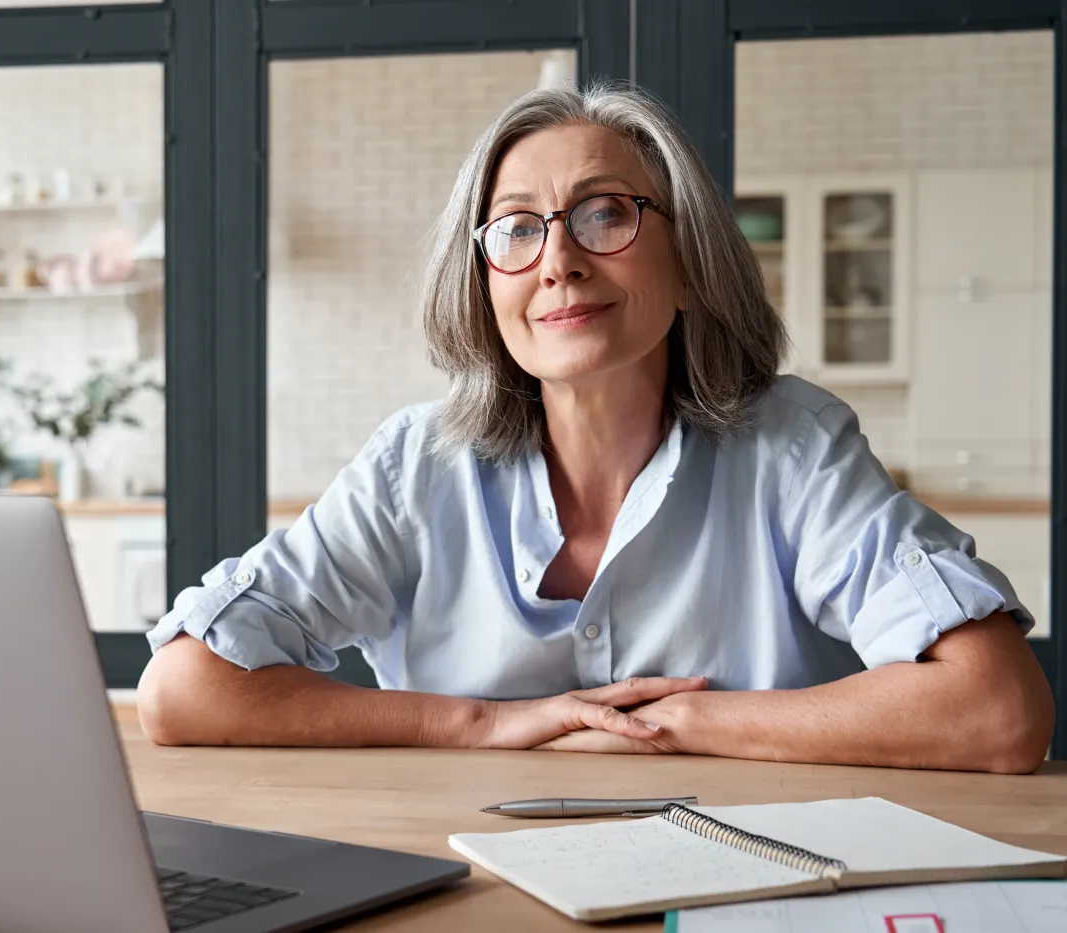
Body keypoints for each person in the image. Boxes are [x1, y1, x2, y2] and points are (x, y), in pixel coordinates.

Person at [138, 82, 1055, 773]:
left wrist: (676, 722)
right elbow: (184, 689)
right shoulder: (415, 465)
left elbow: (999, 710)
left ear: (690, 261)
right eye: (516, 229)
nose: (559, 261)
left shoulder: (794, 445)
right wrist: (488, 724)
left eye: (604, 213)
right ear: (484, 282)